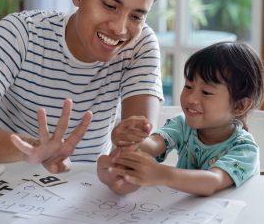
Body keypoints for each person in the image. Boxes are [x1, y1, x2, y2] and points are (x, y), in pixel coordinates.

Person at [0, 0, 163, 175]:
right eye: (110, 5)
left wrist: (129, 155)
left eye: (136, 17)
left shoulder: (140, 45)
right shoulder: (20, 32)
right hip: (2, 180)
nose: (120, 29)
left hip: (83, 192)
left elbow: (139, 145)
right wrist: (33, 149)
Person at [99, 41, 264, 196]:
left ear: (240, 106)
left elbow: (213, 181)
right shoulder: (183, 124)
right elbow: (153, 145)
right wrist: (127, 138)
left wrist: (162, 174)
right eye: (188, 86)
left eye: (206, 92)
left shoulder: (244, 149)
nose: (191, 98)